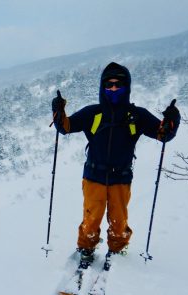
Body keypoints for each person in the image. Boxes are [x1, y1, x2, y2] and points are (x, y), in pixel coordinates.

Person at [51, 62, 180, 269]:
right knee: (91, 218)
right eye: (108, 85)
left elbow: (162, 134)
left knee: (118, 219)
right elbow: (65, 127)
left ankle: (118, 250)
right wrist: (58, 111)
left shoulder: (136, 115)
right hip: (94, 176)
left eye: (118, 85)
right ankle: (86, 248)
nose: (113, 89)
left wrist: (172, 120)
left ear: (127, 87)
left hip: (121, 177)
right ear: (102, 87)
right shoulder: (92, 113)